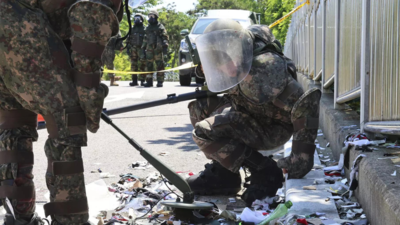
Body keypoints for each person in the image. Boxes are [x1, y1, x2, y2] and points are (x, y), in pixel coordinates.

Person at [0, 0, 122, 224]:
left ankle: (18, 216)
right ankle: (69, 220)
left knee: (13, 121)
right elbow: (90, 22)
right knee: (67, 124)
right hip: (24, 31)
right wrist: (89, 100)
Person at [187, 19, 321, 206]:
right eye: (217, 60)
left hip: (272, 127)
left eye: (224, 59)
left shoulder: (263, 72)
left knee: (205, 130)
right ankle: (226, 175)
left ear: (237, 50)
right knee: (199, 108)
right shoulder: (241, 57)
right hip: (251, 110)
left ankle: (265, 172)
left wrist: (301, 158)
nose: (220, 66)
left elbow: (305, 104)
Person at [141, 10, 169, 88]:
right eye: (149, 16)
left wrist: (165, 47)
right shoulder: (148, 27)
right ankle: (149, 81)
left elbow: (165, 37)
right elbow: (145, 38)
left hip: (158, 49)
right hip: (149, 48)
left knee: (160, 65)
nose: (150, 18)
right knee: (149, 64)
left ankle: (160, 81)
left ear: (156, 17)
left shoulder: (160, 26)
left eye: (152, 16)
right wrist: (143, 48)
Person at [127, 13, 147, 87]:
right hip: (133, 48)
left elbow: (147, 39)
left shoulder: (145, 28)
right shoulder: (132, 28)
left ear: (141, 19)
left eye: (138, 18)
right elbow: (128, 38)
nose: (137, 20)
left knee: (143, 64)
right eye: (135, 18)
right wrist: (128, 48)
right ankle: (134, 81)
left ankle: (142, 80)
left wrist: (146, 49)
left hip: (142, 49)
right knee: (133, 65)